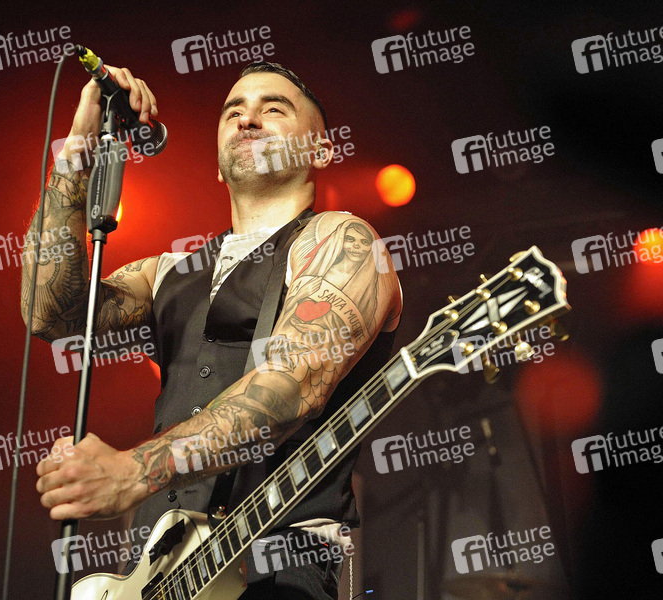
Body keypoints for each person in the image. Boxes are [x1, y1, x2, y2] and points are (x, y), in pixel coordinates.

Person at [22, 60, 402, 599]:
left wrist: (132, 472)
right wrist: (82, 144)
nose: (248, 119)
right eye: (232, 112)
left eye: (274, 108)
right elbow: (51, 313)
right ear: (219, 166)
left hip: (273, 569)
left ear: (320, 150)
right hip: (154, 576)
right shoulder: (171, 274)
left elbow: (293, 385)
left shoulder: (344, 241)